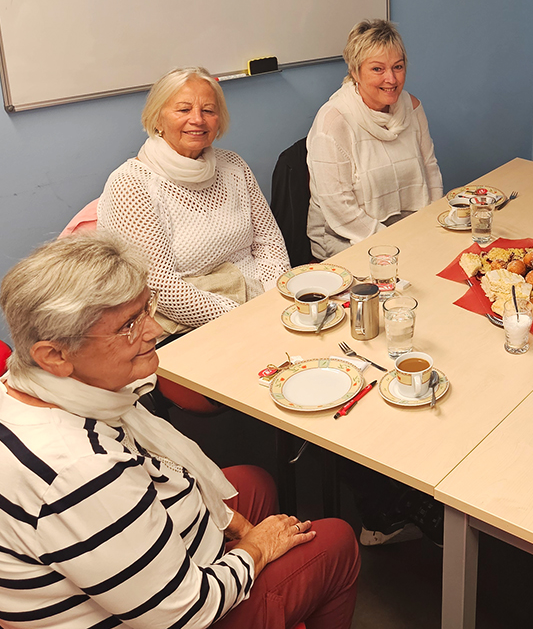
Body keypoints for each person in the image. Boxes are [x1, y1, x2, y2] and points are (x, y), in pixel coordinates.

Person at [0, 234, 360, 628]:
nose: (153, 329)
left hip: (131, 576)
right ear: (54, 356)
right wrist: (255, 551)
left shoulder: (25, 389)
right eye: (128, 325)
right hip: (179, 615)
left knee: (252, 484)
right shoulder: (80, 470)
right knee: (336, 542)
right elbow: (185, 614)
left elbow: (147, 473)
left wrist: (234, 526)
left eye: (144, 310)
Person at [98, 66, 290, 334]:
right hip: (188, 323)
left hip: (259, 300)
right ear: (157, 119)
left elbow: (268, 240)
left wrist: (276, 296)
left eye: (208, 111)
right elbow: (160, 287)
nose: (197, 119)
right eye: (183, 109)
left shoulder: (233, 165)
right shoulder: (132, 184)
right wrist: (244, 317)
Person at [307, 19, 443, 259]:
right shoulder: (332, 123)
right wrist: (393, 245)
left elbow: (430, 170)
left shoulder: (412, 108)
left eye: (398, 67)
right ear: (354, 72)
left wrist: (430, 224)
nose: (391, 79)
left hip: (408, 229)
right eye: (377, 69)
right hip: (347, 239)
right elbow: (341, 210)